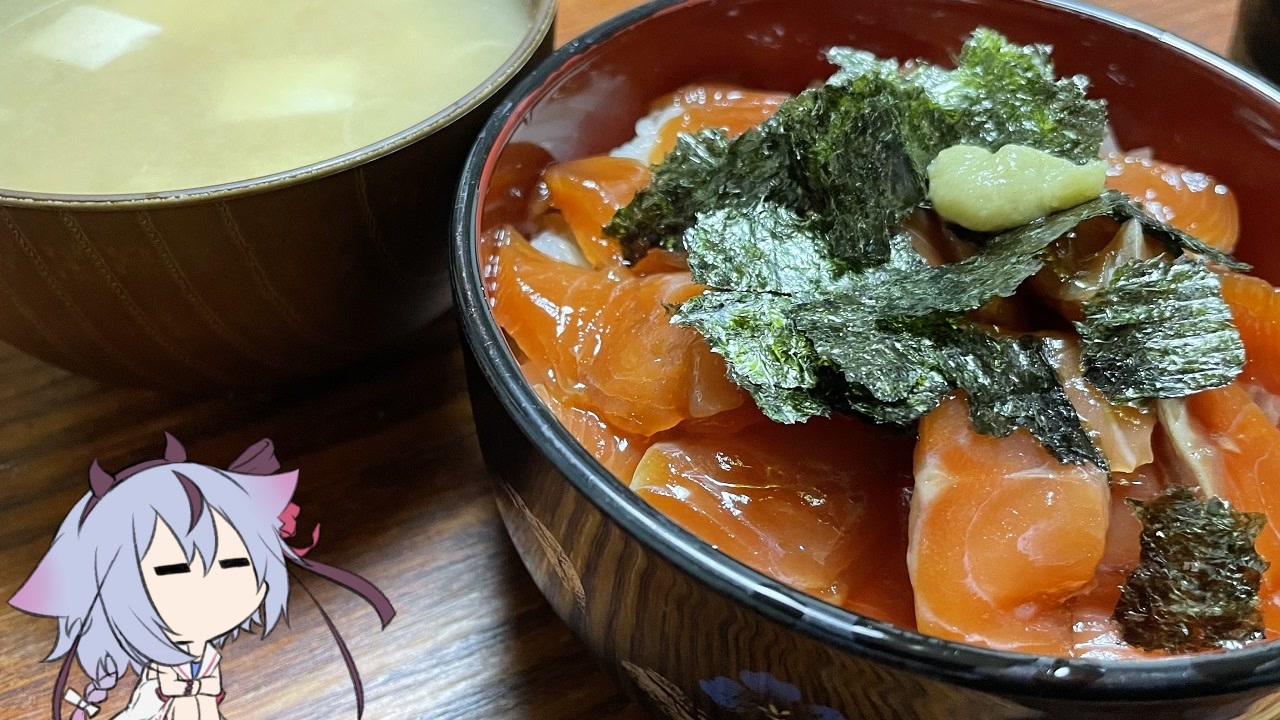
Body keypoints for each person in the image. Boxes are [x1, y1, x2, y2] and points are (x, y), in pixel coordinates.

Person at [10, 434, 395, 719]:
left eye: (235, 563)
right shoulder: (159, 671)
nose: (213, 586)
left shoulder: (207, 657)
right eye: (173, 570)